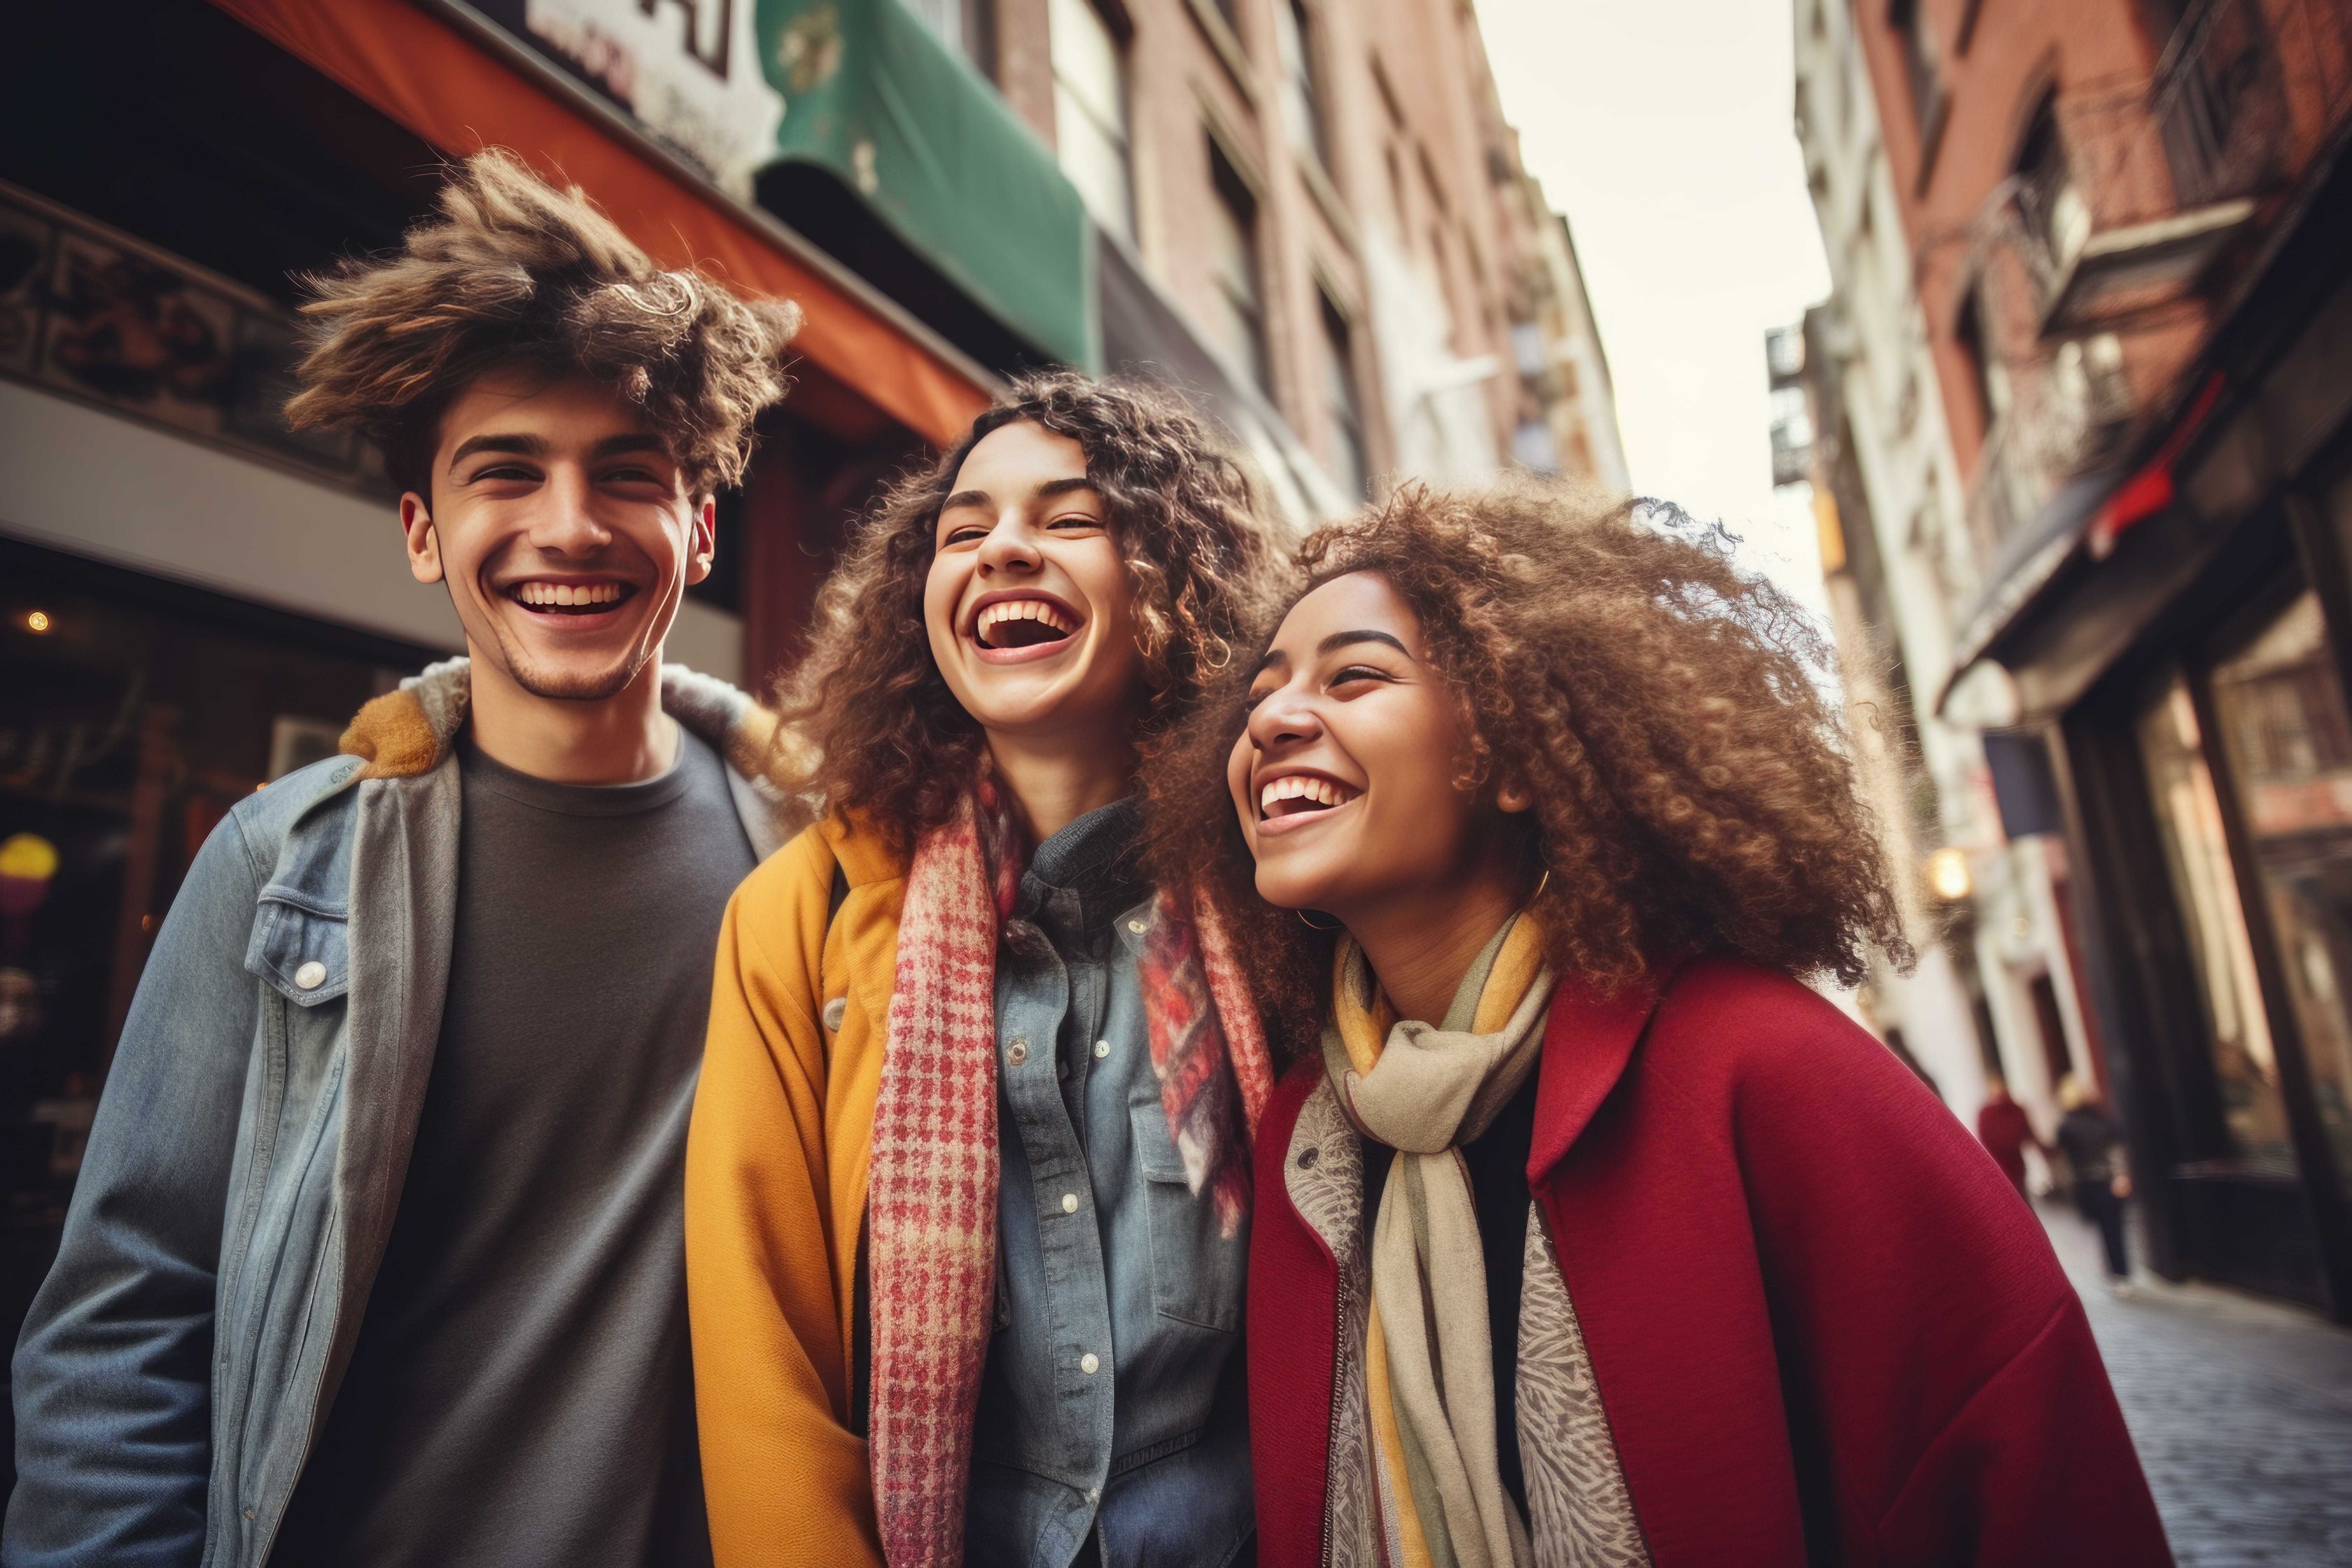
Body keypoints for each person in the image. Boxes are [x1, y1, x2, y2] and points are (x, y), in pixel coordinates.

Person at [6, 150, 802, 1568]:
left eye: (627, 475)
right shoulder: (280, 862)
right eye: (508, 473)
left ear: (699, 530)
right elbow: (128, 1313)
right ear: (426, 534)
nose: (570, 524)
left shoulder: (811, 865)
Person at [1145, 482, 2171, 1566]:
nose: (1270, 722)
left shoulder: (1760, 1066)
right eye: (1261, 695)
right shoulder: (1302, 1136)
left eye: (1355, 676)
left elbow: (2022, 1467)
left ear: (1516, 754)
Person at [687, 372, 1282, 1568]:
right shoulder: (803, 913)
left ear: (1173, 576)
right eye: (965, 532)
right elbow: (762, 1352)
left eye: (1071, 518)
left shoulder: (1285, 895)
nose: (1005, 549)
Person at [2058, 1074, 2135, 1287]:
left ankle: (2115, 1271)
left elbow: (2064, 1159)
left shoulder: (2067, 1126)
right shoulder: (2102, 1120)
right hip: (2107, 1181)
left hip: (2088, 1183)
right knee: (2114, 1229)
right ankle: (2120, 1273)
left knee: (2104, 1229)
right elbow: (2117, 1150)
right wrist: (2122, 1176)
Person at [1977, 1075, 2045, 1200]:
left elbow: (1984, 1139)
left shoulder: (1987, 1113)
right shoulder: (2016, 1110)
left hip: (1999, 1164)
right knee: (2021, 1196)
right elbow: (2029, 1134)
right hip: (2015, 1163)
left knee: (2008, 1197)